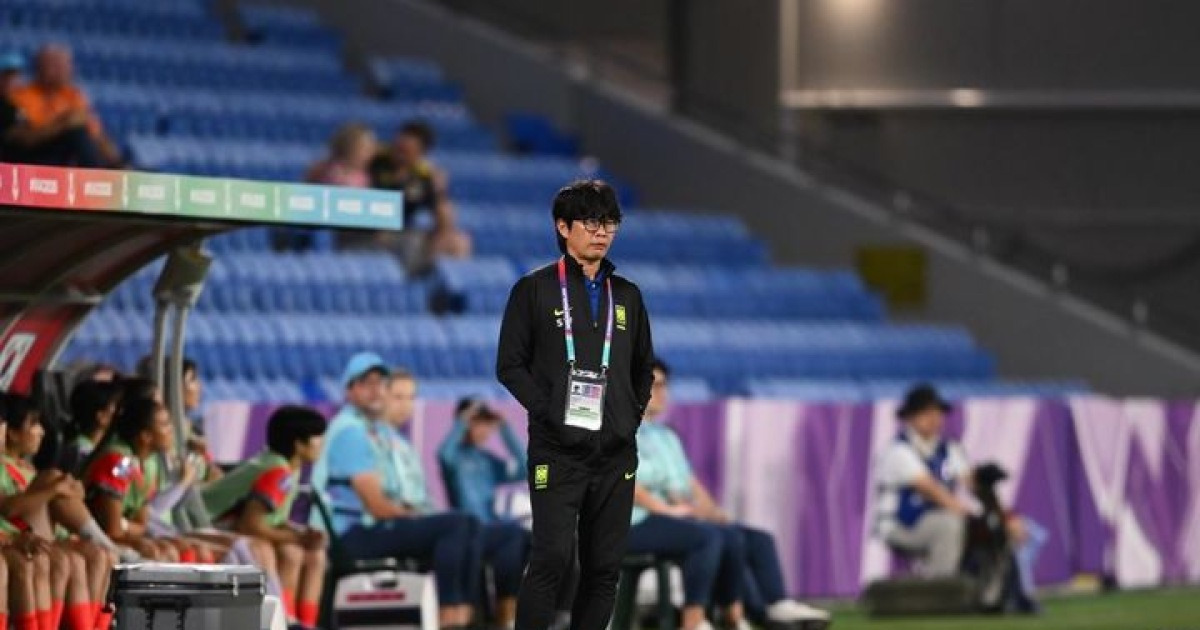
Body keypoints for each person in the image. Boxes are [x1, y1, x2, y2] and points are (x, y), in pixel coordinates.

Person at [497, 179, 655, 630]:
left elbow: (644, 368)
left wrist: (629, 419)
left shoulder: (628, 295)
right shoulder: (533, 290)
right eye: (591, 222)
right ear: (563, 227)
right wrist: (550, 415)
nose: (602, 231)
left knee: (605, 567)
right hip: (557, 450)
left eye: (610, 222)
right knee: (551, 558)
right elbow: (509, 366)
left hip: (616, 452)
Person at [629, 360, 829, 630]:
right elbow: (626, 484)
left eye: (666, 385)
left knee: (751, 537)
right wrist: (668, 511)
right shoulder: (621, 432)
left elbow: (686, 485)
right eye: (656, 385)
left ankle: (770, 607)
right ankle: (699, 619)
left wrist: (712, 513)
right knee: (709, 537)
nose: (663, 392)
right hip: (632, 523)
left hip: (669, 517)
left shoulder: (665, 436)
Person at [311, 353, 480, 629]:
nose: (376, 390)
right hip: (352, 535)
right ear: (349, 390)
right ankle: (449, 616)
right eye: (366, 383)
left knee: (469, 525)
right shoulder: (350, 432)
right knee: (456, 524)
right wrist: (413, 517)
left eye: (381, 383)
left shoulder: (373, 431)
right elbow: (377, 506)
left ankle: (465, 615)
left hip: (370, 528)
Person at [203, 406, 328, 630]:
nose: (322, 442)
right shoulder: (278, 471)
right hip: (208, 524)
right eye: (317, 437)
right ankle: (285, 620)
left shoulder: (288, 464)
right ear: (299, 444)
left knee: (315, 555)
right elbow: (250, 525)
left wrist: (300, 532)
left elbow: (271, 519)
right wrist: (297, 539)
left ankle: (306, 624)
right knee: (292, 552)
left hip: (236, 526)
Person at [0, 394, 117, 630]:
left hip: (32, 533)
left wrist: (70, 491)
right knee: (43, 562)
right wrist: (55, 489)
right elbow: (8, 508)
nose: (42, 432)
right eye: (34, 424)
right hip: (16, 535)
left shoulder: (28, 467)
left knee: (95, 556)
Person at [434, 393, 531, 629]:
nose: (483, 429)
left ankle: (507, 606)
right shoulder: (454, 457)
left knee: (524, 537)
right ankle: (503, 609)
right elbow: (443, 454)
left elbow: (525, 469)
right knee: (513, 534)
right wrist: (462, 421)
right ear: (465, 423)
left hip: (491, 529)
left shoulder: (486, 459)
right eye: (477, 422)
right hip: (468, 531)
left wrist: (505, 429)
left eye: (485, 422)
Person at [367, 120, 471, 270]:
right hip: (369, 228)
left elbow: (443, 213)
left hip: (402, 232)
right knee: (412, 241)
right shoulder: (376, 160)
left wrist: (440, 192)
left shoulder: (425, 176)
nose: (400, 154)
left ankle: (438, 287)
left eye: (406, 151)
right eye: (398, 147)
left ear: (420, 153)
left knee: (459, 242)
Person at [7, 45, 122, 167]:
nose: (63, 71)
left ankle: (113, 172)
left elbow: (95, 134)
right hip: (31, 157)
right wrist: (62, 123)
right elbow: (20, 140)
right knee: (75, 130)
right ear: (40, 67)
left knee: (84, 133)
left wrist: (118, 162)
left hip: (61, 157)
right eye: (56, 66)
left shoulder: (73, 96)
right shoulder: (20, 96)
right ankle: (94, 176)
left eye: (66, 65)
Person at [61, 380, 122, 477]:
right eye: (115, 406)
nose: (120, 412)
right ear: (101, 416)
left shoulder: (96, 446)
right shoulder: (82, 450)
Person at [305, 122, 377, 188]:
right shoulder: (324, 172)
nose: (370, 154)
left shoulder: (370, 176)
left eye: (371, 149)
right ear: (349, 148)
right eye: (364, 149)